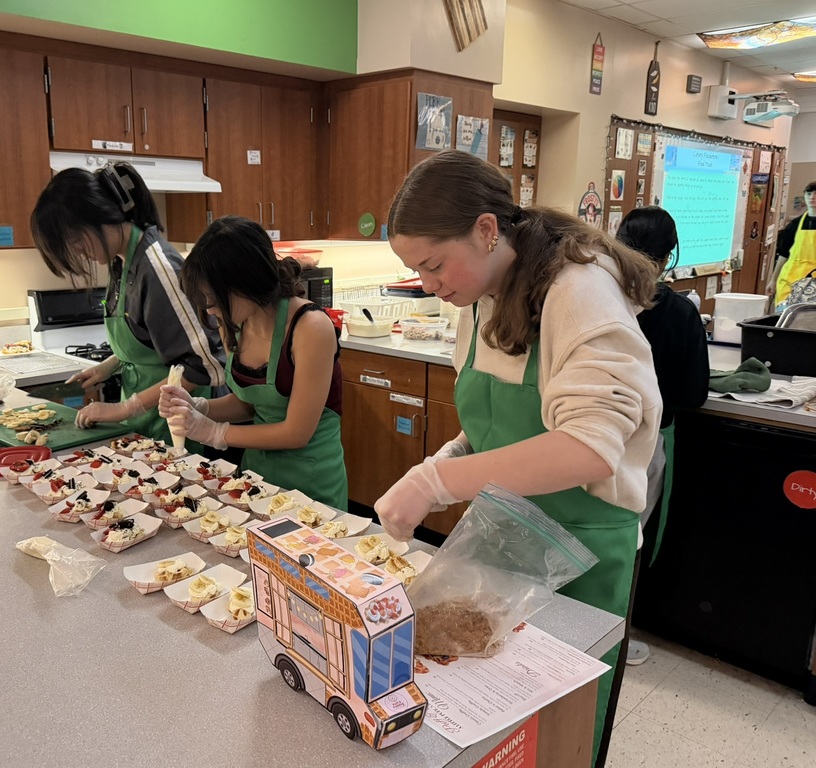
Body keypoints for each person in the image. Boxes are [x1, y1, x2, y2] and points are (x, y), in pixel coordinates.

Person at [374, 151, 661, 768]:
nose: (427, 283)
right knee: (492, 732)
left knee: (556, 736)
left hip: (581, 551)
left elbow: (589, 447)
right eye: (415, 270)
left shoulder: (580, 291)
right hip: (504, 540)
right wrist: (444, 458)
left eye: (433, 265)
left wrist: (439, 480)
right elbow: (493, 428)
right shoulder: (481, 295)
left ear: (487, 230)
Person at [159, 216, 348, 510]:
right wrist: (198, 407)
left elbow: (296, 432)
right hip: (258, 475)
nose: (209, 308)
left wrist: (214, 432)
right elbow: (250, 404)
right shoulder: (233, 323)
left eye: (213, 297)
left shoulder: (310, 327)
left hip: (311, 480)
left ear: (247, 281)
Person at [30, 162, 226, 442]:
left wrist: (124, 408)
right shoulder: (121, 262)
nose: (78, 252)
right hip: (150, 424)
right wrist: (110, 366)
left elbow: (203, 365)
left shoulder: (157, 269)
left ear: (99, 216)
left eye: (75, 240)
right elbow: (149, 343)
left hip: (184, 428)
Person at [616, 206, 710, 666]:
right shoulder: (679, 313)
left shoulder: (595, 299)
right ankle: (615, 636)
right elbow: (694, 393)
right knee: (628, 536)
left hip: (585, 430)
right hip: (646, 441)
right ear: (669, 254)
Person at [770, 180, 816, 307]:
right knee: (785, 315)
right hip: (790, 280)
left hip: (813, 282)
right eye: (809, 194)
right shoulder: (794, 224)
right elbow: (783, 254)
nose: (812, 197)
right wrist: (773, 280)